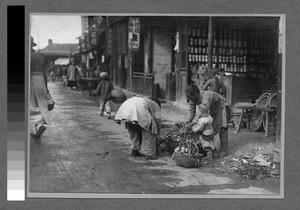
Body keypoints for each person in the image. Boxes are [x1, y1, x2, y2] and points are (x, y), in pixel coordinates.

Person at [185, 84, 232, 158]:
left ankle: (224, 150)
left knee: (223, 127)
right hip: (212, 109)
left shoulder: (206, 96)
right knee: (210, 128)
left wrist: (193, 123)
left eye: (193, 98)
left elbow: (203, 113)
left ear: (197, 93)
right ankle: (213, 148)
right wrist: (187, 122)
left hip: (222, 106)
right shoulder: (192, 98)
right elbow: (192, 112)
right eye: (191, 98)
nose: (192, 100)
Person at [30, 37, 50, 139]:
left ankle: (38, 127)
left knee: (32, 105)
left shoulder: (29, 57)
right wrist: (46, 88)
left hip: (32, 80)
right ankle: (36, 130)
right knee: (41, 104)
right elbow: (45, 73)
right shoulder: (41, 58)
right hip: (41, 80)